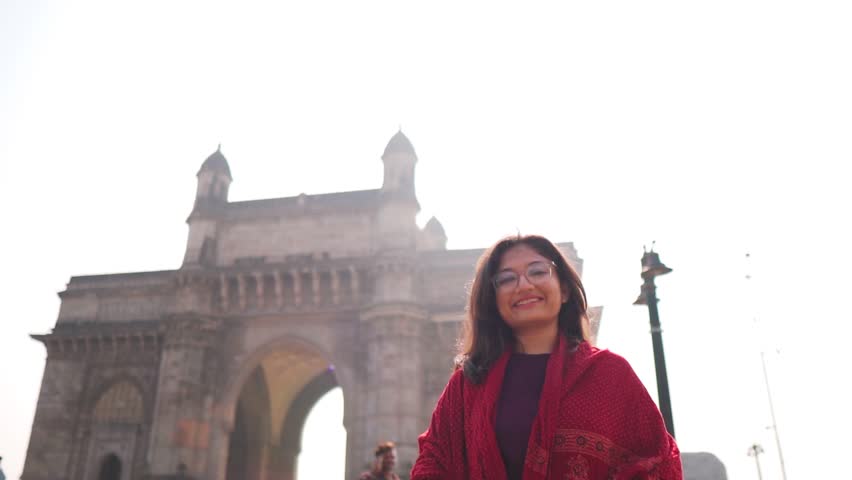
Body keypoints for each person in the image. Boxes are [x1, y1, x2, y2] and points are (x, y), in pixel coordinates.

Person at [411, 235, 682, 480]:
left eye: (538, 272)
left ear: (564, 290)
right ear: (493, 300)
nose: (524, 285)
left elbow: (656, 462)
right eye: (506, 279)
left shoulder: (610, 374)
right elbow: (433, 463)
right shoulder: (467, 385)